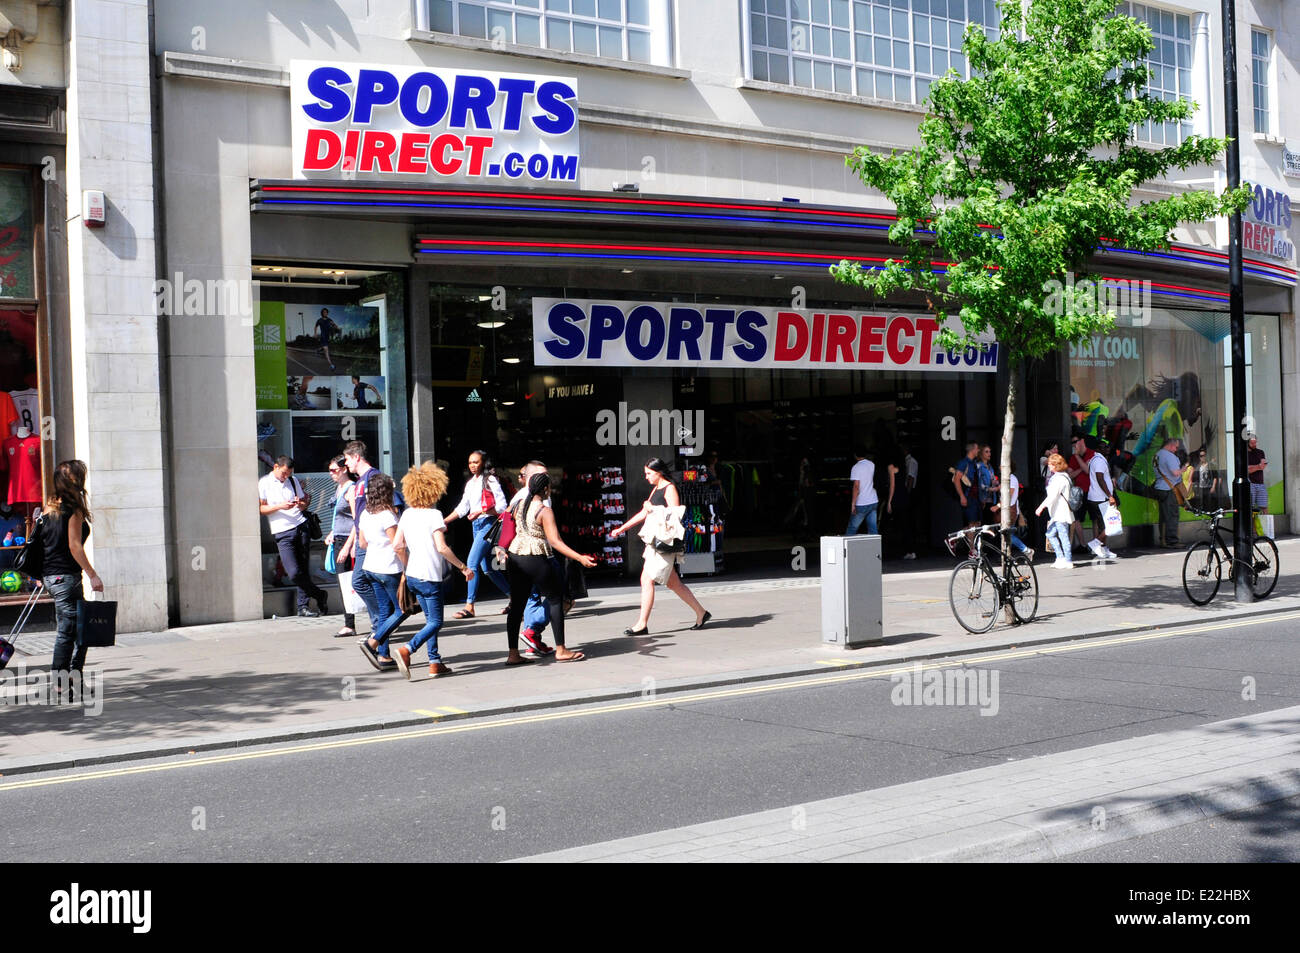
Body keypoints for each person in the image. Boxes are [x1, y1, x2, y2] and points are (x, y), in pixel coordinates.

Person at [390, 462, 474, 679]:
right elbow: (442, 547)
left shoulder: (407, 515)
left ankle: (435, 662)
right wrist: (463, 568)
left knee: (430, 620)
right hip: (430, 576)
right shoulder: (434, 515)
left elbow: (397, 545)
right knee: (437, 622)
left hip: (413, 575)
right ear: (434, 489)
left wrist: (408, 565)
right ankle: (407, 649)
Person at [610, 458, 711, 635]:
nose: (646, 477)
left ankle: (642, 624)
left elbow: (676, 515)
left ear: (659, 472)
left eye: (649, 473)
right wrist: (622, 528)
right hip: (656, 543)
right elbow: (643, 513)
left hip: (664, 543)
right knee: (674, 584)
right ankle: (701, 613)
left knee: (646, 580)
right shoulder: (657, 488)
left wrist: (652, 509)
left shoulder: (669, 488)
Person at [504, 472, 597, 664]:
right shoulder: (544, 511)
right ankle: (561, 650)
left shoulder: (518, 505)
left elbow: (506, 524)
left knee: (516, 606)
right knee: (556, 600)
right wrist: (579, 557)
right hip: (535, 557)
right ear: (545, 489)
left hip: (515, 556)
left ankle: (513, 654)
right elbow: (555, 542)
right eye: (549, 487)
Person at [42, 460, 104, 683]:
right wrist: (92, 574)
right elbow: (74, 546)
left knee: (79, 628)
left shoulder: (49, 506)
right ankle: (62, 681)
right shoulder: (73, 511)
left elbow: (44, 543)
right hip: (66, 577)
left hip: (52, 577)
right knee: (69, 631)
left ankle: (73, 676)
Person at [258, 454, 328, 617]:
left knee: (303, 570)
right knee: (293, 572)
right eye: (283, 473)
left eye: (288, 474)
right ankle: (319, 594)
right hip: (282, 531)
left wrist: (301, 502)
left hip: (300, 526)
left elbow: (303, 505)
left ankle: (302, 606)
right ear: (276, 467)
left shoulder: (292, 480)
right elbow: (261, 509)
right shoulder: (264, 483)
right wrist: (280, 506)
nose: (285, 477)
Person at [444, 449, 510, 618]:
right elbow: (463, 508)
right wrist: (445, 521)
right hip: (477, 526)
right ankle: (516, 598)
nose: (473, 465)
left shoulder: (491, 480)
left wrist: (480, 512)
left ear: (483, 463)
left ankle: (469, 606)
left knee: (471, 563)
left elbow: (503, 506)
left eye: (476, 462)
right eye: (470, 462)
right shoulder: (471, 483)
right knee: (488, 569)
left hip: (488, 524)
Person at [356, 473, 404, 669]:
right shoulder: (387, 515)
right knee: (402, 610)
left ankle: (384, 656)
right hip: (389, 568)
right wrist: (407, 568)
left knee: (385, 611)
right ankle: (372, 643)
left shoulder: (366, 514)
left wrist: (377, 545)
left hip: (371, 567)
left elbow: (362, 543)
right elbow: (397, 545)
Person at [327, 454, 359, 637]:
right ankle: (349, 623)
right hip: (338, 538)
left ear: (344, 469)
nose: (331, 474)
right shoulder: (340, 489)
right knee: (344, 582)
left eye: (334, 470)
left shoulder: (350, 489)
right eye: (330, 471)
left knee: (348, 583)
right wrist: (332, 532)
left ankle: (350, 624)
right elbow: (340, 517)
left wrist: (348, 545)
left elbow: (356, 519)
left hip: (346, 540)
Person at [1079, 436, 1119, 560]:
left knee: (1103, 525)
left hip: (1097, 497)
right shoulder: (1099, 461)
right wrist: (1110, 495)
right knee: (1110, 525)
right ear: (1097, 449)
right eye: (1103, 447)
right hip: (1100, 498)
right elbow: (1100, 478)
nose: (1107, 448)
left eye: (1107, 446)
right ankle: (1095, 544)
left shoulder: (1097, 459)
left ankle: (1104, 548)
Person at [1035, 453, 1074, 569]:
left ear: (1055, 465)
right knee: (1052, 534)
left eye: (1051, 464)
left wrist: (1041, 507)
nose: (1049, 466)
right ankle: (1061, 558)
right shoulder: (1064, 476)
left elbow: (1052, 496)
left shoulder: (1058, 478)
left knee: (1061, 535)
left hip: (1060, 512)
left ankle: (1066, 559)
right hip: (1059, 512)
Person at [991, 466, 1034, 560]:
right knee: (1005, 534)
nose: (999, 467)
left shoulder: (1012, 479)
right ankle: (1007, 557)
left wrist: (997, 506)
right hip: (1007, 509)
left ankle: (1026, 550)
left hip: (1010, 510)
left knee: (1008, 534)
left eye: (1002, 466)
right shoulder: (1006, 479)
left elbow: (1009, 496)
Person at [1152, 436, 1187, 547]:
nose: (1176, 449)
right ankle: (1172, 541)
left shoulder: (1157, 455)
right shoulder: (1169, 456)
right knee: (1172, 515)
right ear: (1171, 445)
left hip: (1159, 487)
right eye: (1175, 447)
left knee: (1163, 515)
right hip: (1168, 488)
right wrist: (1183, 469)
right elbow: (1175, 473)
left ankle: (1163, 539)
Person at [886, 448, 916, 560]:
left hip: (897, 497)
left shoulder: (891, 467)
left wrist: (889, 502)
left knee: (899, 525)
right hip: (904, 496)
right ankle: (911, 550)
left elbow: (892, 486)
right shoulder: (903, 466)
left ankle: (907, 550)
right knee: (906, 524)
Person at [845, 445, 879, 535]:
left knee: (852, 528)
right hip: (873, 500)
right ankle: (875, 549)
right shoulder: (872, 464)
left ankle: (847, 549)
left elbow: (856, 487)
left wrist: (853, 504)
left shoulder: (856, 467)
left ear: (855, 455)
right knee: (873, 529)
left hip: (862, 502)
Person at [952, 442, 981, 529]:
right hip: (968, 497)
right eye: (977, 448)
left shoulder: (974, 463)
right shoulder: (964, 463)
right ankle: (971, 543)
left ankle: (972, 542)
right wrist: (962, 496)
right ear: (972, 450)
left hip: (976, 498)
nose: (978, 450)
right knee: (971, 524)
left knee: (977, 523)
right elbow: (956, 479)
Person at [1246, 434, 1268, 512]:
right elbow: (1247, 470)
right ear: (1247, 443)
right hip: (1250, 484)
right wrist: (1258, 466)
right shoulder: (1245, 454)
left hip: (1260, 483)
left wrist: (1254, 467)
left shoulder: (1260, 452)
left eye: (1255, 443)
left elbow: (1263, 465)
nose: (1254, 445)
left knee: (1264, 507)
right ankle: (1251, 524)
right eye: (1252, 443)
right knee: (1250, 507)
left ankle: (1266, 524)